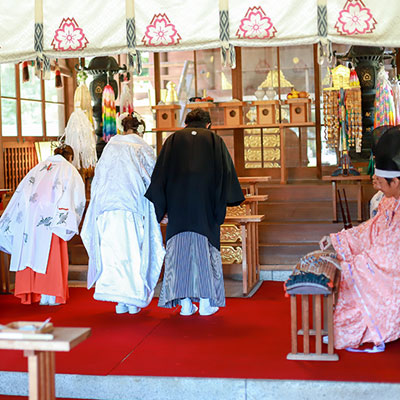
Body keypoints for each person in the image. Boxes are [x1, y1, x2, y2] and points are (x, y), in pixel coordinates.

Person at [145, 108, 245, 316]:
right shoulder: (215, 141)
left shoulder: (172, 140)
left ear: (186, 123)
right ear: (208, 124)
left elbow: (160, 175)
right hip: (206, 209)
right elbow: (226, 173)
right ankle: (207, 302)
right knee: (205, 253)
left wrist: (161, 208)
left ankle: (185, 303)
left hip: (178, 210)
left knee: (180, 254)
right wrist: (226, 201)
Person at [320, 126, 400, 351]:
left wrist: (356, 263)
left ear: (395, 182)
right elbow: (370, 230)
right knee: (353, 268)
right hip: (386, 259)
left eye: (383, 184)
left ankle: (374, 330)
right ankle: (358, 327)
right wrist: (337, 241)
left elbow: (391, 253)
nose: (379, 188)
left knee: (357, 271)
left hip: (394, 270)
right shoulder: (389, 201)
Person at [81, 112, 165, 315]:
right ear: (139, 129)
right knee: (132, 252)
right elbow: (153, 176)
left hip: (107, 207)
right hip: (132, 205)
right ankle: (132, 298)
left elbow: (99, 177)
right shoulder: (142, 146)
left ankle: (118, 300)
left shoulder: (111, 146)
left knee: (112, 253)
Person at [0, 144, 86, 305]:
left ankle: (36, 294)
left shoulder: (38, 168)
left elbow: (22, 192)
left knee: (31, 252)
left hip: (31, 218)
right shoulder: (68, 169)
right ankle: (51, 296)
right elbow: (76, 196)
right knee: (50, 254)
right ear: (70, 157)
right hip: (51, 218)